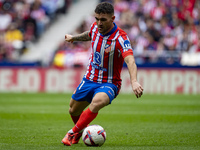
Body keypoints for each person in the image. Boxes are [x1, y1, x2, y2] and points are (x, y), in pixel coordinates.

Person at [62, 2, 143, 146]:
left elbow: (130, 61)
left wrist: (134, 81)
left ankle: (71, 133)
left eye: (103, 20)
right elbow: (89, 34)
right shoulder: (95, 27)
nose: (99, 23)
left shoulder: (120, 38)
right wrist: (74, 38)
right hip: (90, 78)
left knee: (97, 102)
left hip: (109, 83)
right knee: (73, 109)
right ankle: (80, 131)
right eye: (97, 19)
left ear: (113, 18)